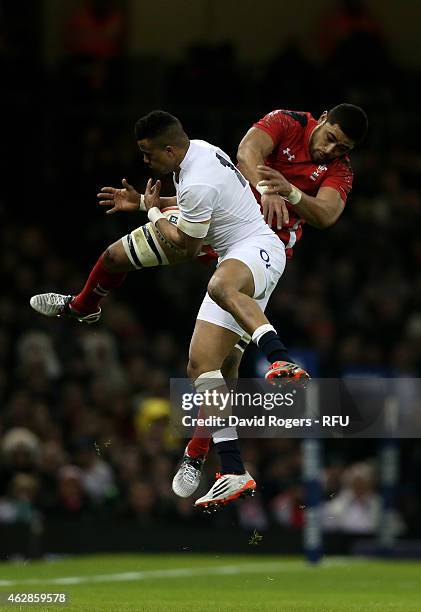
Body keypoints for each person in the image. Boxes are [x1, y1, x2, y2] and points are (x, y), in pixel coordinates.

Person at [30, 110, 303, 510]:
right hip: (225, 243)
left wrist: (153, 211)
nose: (144, 162)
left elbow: (184, 245)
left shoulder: (198, 182)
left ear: (170, 149)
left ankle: (278, 359)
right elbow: (195, 205)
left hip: (252, 250)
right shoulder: (201, 154)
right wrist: (143, 200)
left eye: (147, 153)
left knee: (223, 318)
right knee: (202, 365)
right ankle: (232, 468)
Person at [172, 103, 368, 499]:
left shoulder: (339, 170)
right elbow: (247, 151)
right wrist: (264, 186)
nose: (332, 150)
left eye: (342, 148)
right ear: (323, 118)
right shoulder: (288, 122)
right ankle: (208, 455)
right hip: (230, 234)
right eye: (331, 138)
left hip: (265, 249)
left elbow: (327, 214)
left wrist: (291, 192)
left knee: (217, 314)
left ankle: (277, 356)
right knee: (212, 366)